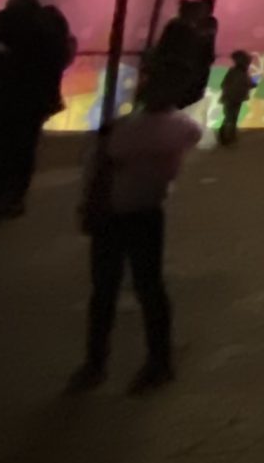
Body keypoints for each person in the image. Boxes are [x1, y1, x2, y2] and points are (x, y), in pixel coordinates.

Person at [69, 72, 203, 393]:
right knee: (146, 288)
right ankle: (156, 361)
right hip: (142, 213)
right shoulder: (177, 127)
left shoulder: (130, 129)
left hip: (119, 215)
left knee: (108, 290)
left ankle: (98, 362)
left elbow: (103, 161)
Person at [0, 0, 77, 217]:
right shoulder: (52, 25)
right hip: (38, 101)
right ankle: (14, 198)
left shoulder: (4, 24)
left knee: (3, 147)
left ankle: (2, 195)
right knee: (24, 149)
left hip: (6, 100)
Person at [215, 52, 255, 147]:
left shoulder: (234, 72)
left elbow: (224, 84)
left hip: (231, 98)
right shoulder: (240, 73)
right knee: (231, 117)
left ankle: (228, 137)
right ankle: (227, 137)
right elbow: (248, 84)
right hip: (234, 98)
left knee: (230, 117)